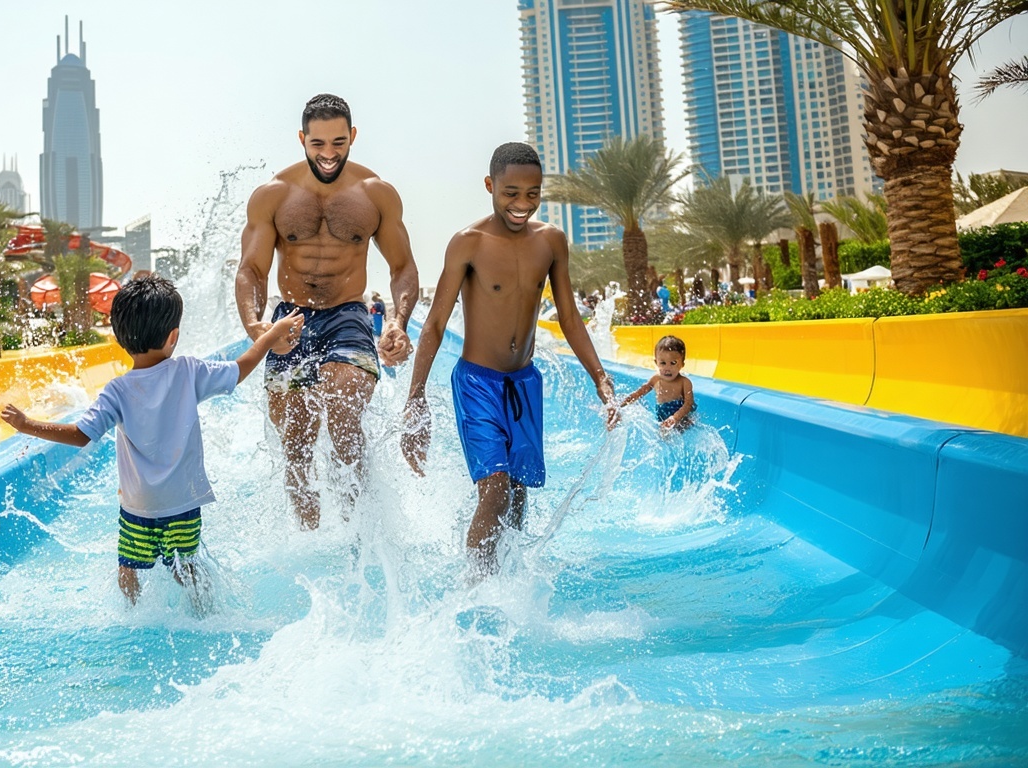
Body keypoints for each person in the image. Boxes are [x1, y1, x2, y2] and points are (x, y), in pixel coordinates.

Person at [1, 275, 306, 607]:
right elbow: (241, 367)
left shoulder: (116, 391)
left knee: (128, 572)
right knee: (186, 568)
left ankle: (134, 616)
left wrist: (27, 424)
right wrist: (273, 333)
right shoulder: (189, 372)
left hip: (138, 507)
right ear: (173, 336)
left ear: (119, 338)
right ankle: (205, 613)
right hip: (184, 503)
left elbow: (80, 435)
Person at [401, 142, 616, 575]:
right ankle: (474, 589)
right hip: (478, 382)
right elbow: (436, 323)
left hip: (523, 383)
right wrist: (415, 397)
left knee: (518, 494)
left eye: (533, 193)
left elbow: (571, 317)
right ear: (490, 187)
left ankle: (508, 583)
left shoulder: (551, 241)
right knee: (495, 489)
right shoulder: (469, 243)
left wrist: (600, 378)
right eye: (511, 193)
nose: (522, 204)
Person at [235, 93, 420, 529]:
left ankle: (359, 532)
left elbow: (402, 266)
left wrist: (396, 320)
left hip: (347, 316)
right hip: (289, 320)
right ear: (302, 139)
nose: (329, 153)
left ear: (352, 135)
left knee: (344, 412)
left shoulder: (375, 194)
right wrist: (256, 325)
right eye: (318, 144)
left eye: (339, 142)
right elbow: (252, 271)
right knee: (296, 443)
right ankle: (312, 538)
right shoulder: (273, 195)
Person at [620, 334, 696, 431]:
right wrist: (622, 404)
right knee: (663, 434)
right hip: (662, 415)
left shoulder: (685, 382)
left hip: (681, 416)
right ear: (656, 363)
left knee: (683, 427)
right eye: (663, 363)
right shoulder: (656, 379)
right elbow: (640, 392)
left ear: (682, 364)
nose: (667, 368)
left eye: (673, 363)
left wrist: (675, 418)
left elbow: (688, 404)